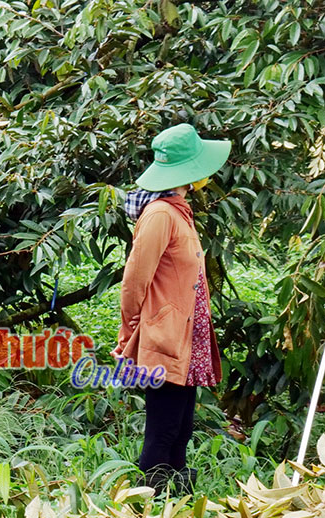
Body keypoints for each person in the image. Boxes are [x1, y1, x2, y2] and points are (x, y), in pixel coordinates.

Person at [112, 123, 229, 495]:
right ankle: (145, 503)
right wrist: (129, 331)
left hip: (185, 336)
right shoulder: (161, 214)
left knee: (181, 425)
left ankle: (176, 497)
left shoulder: (178, 211)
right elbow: (135, 281)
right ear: (190, 172)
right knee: (162, 426)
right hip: (164, 336)